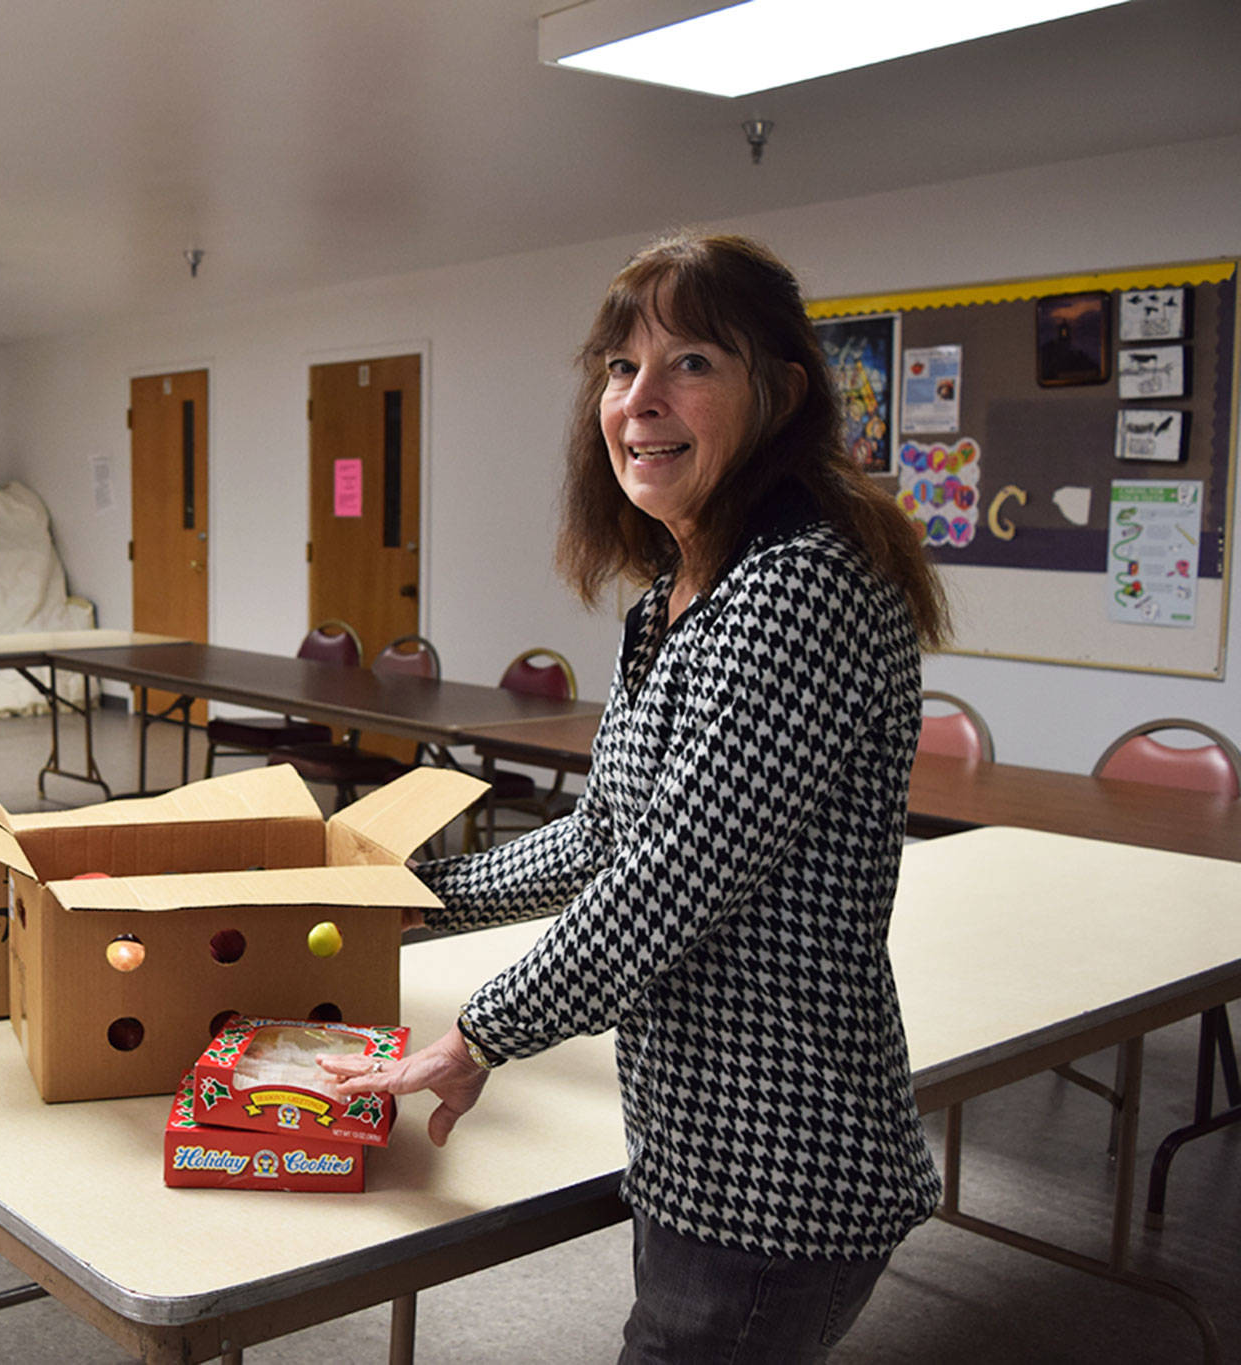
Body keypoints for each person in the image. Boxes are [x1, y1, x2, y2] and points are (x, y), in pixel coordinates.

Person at [320, 231, 950, 1363]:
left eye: (690, 363)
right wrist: (413, 897)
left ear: (781, 392)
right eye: (619, 367)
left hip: (778, 1169)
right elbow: (609, 837)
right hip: (702, 1144)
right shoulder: (676, 595)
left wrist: (479, 1031)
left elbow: (667, 881)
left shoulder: (800, 588)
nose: (638, 400)